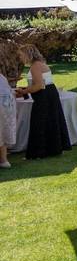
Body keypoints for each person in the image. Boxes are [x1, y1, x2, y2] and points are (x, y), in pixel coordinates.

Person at [15, 45, 70, 159]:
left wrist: (24, 91)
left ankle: (38, 152)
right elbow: (39, 83)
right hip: (49, 93)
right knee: (50, 120)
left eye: (21, 55)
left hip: (44, 95)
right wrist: (26, 89)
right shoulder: (40, 64)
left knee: (39, 122)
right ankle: (52, 149)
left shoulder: (35, 66)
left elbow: (39, 85)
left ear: (27, 54)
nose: (20, 57)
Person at [0, 39, 20, 168]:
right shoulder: (1, 77)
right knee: (2, 131)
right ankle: (4, 160)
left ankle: (3, 160)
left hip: (3, 103)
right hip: (7, 103)